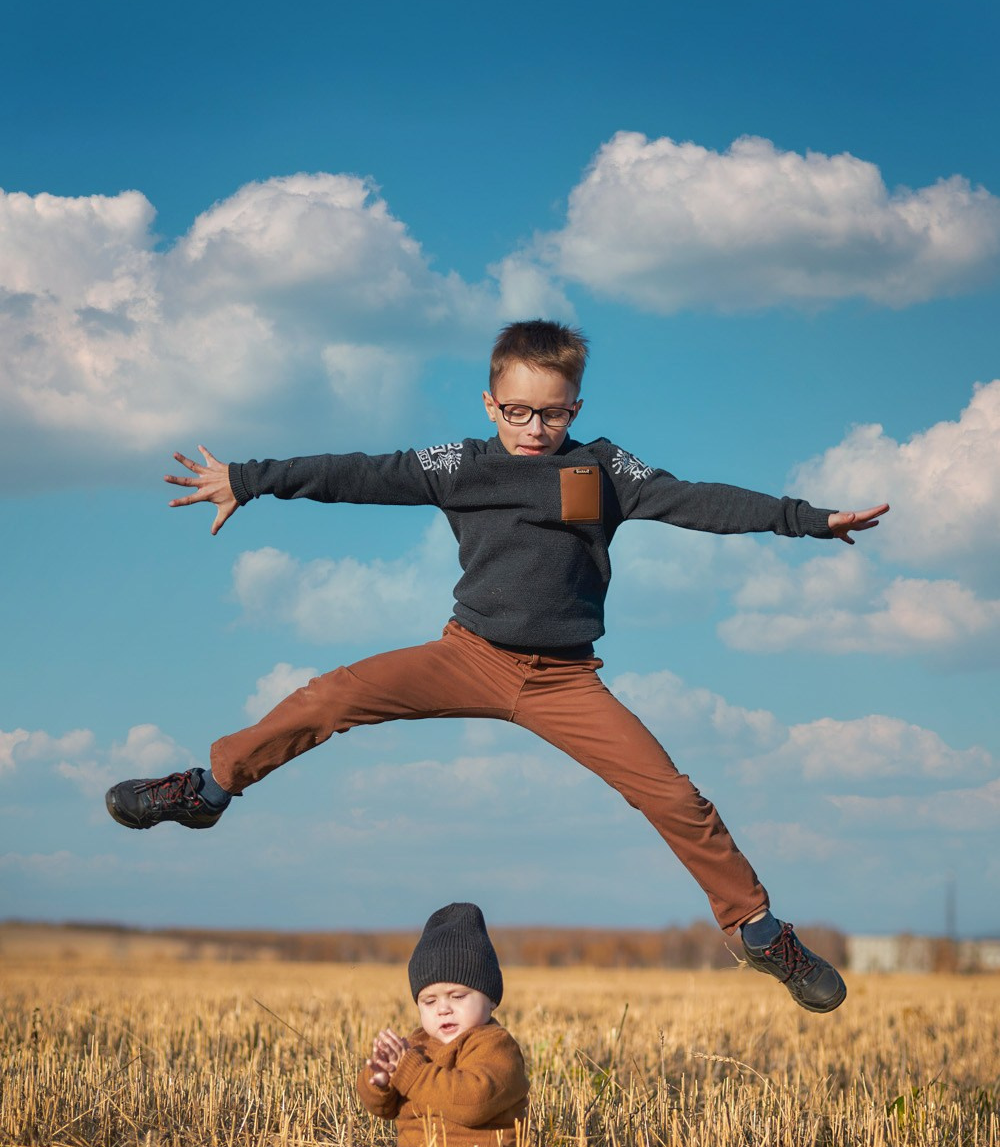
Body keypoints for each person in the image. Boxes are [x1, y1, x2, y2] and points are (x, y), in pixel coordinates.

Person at [106, 319, 890, 1013]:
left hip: (564, 680)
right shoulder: (459, 465)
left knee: (675, 798)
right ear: (490, 404)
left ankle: (757, 930)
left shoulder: (601, 469)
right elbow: (356, 473)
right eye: (516, 410)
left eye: (551, 412)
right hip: (469, 655)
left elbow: (696, 501)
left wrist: (806, 521)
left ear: (575, 409)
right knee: (331, 696)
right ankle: (208, 791)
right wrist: (249, 479)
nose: (534, 427)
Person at [299, 901, 528, 1147]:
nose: (443, 1009)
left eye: (458, 996)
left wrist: (410, 1071)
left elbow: (473, 1102)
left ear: (490, 998)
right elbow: (385, 1109)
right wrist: (379, 1081)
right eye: (429, 1000)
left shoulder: (496, 1047)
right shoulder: (417, 1045)